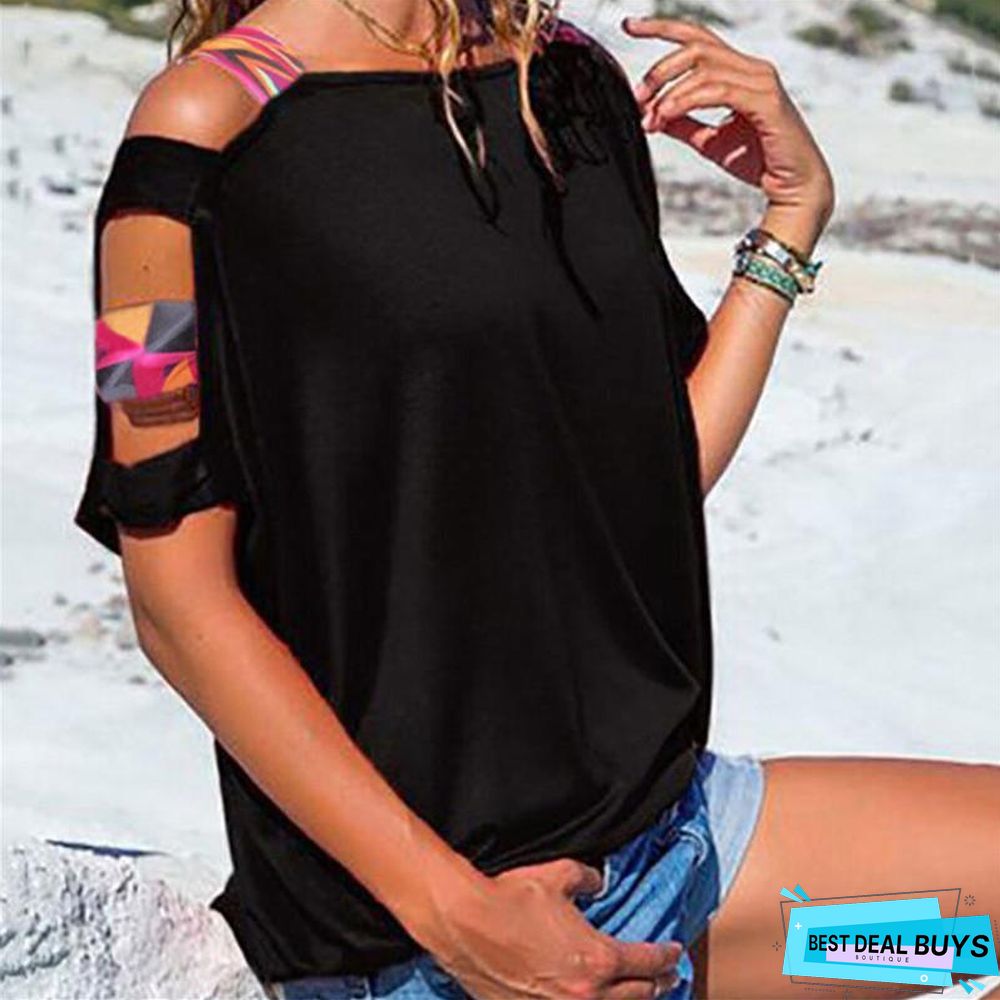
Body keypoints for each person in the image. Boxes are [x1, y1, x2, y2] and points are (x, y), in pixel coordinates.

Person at [73, 0, 1000, 995]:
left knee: (964, 949)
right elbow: (177, 602)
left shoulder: (567, 81)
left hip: (685, 878)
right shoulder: (191, 142)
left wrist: (790, 218)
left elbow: (637, 491)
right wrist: (459, 917)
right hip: (433, 953)